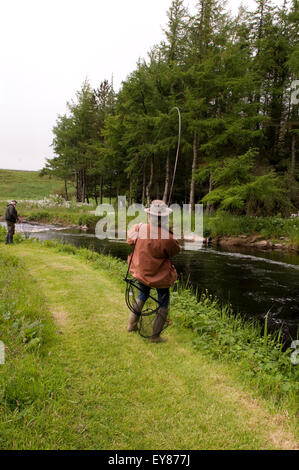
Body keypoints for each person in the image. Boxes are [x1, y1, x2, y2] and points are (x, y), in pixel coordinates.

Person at [127, 200, 181, 343]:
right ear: (164, 217)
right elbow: (176, 250)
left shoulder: (139, 227)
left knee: (142, 294)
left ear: (149, 215)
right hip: (160, 276)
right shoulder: (168, 238)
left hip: (141, 272)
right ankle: (155, 336)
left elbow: (129, 240)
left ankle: (131, 325)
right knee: (163, 301)